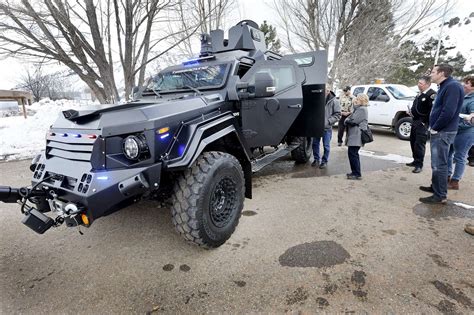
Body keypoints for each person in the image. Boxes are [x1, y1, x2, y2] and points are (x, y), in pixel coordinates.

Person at [419, 64, 464, 204]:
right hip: (441, 130)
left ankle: (440, 195)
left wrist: (436, 127)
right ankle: (435, 188)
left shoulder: (452, 86)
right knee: (436, 163)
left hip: (443, 131)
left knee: (440, 164)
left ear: (442, 73)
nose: (430, 74)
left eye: (433, 72)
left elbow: (448, 111)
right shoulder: (445, 86)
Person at [447, 75, 474, 190]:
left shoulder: (472, 100)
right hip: (455, 130)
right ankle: (446, 176)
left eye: (467, 83)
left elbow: (472, 119)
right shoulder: (464, 96)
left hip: (466, 133)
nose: (464, 85)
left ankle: (455, 181)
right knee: (448, 153)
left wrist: (459, 125)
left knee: (460, 156)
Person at [406, 76, 436, 173]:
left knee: (419, 144)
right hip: (415, 121)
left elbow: (432, 110)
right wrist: (411, 112)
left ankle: (419, 164)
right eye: (418, 83)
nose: (419, 85)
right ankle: (415, 160)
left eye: (421, 83)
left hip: (422, 123)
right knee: (413, 142)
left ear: (428, 84)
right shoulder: (420, 94)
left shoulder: (431, 95)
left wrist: (425, 122)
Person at [311, 88, 341, 169]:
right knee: (314, 144)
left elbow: (338, 115)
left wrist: (327, 122)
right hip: (316, 127)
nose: (322, 92)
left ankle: (324, 161)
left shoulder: (335, 101)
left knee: (326, 146)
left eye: (325, 91)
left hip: (327, 128)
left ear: (328, 91)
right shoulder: (317, 98)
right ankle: (316, 159)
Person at [344, 93, 369, 180]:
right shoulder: (358, 109)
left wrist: (347, 120)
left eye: (357, 99)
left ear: (362, 100)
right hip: (354, 134)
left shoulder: (362, 109)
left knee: (353, 154)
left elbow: (353, 121)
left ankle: (356, 173)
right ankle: (355, 172)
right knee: (353, 154)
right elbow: (348, 119)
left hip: (357, 135)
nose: (355, 100)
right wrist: (348, 120)